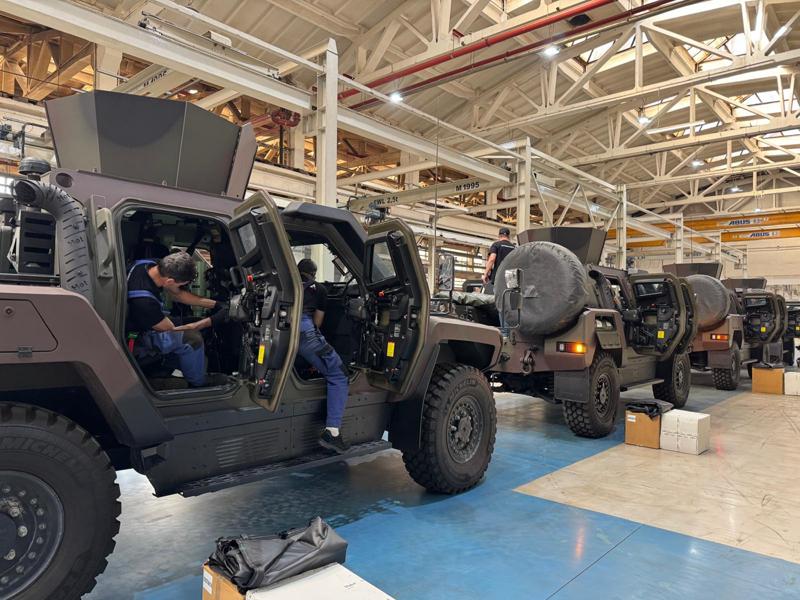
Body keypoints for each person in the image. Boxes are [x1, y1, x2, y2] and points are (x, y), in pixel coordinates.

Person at [127, 251, 225, 387]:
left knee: (195, 322)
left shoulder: (153, 264)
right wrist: (212, 320)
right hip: (138, 336)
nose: (180, 288)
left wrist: (216, 304)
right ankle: (198, 382)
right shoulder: (144, 302)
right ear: (170, 281)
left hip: (149, 318)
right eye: (180, 285)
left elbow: (177, 295)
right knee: (192, 339)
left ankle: (175, 364)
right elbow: (170, 328)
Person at [296, 258, 350, 454]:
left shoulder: (286, 284)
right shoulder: (319, 289)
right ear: (314, 274)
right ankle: (332, 432)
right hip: (305, 332)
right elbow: (317, 322)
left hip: (283, 332)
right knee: (339, 374)